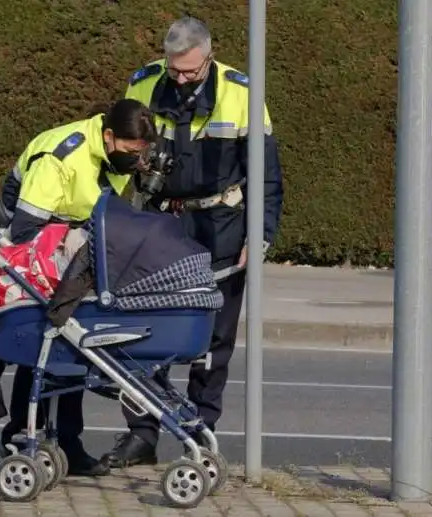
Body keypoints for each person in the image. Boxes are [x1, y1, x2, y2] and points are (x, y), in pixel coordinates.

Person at [102, 16, 285, 467]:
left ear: (210, 55)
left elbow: (267, 174)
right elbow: (116, 154)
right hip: (158, 225)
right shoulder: (145, 83)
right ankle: (141, 435)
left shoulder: (242, 93)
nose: (181, 79)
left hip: (219, 224)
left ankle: (200, 434)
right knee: (143, 334)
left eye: (190, 71)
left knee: (213, 339)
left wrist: (259, 235)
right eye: (174, 70)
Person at [0, 98, 157, 476]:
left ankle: (66, 441)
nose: (135, 161)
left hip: (74, 244)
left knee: (71, 345)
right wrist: (78, 238)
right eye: (131, 153)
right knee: (45, 343)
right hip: (37, 248)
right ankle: (22, 435)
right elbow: (24, 228)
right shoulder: (61, 157)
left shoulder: (110, 151)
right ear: (108, 135)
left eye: (141, 154)